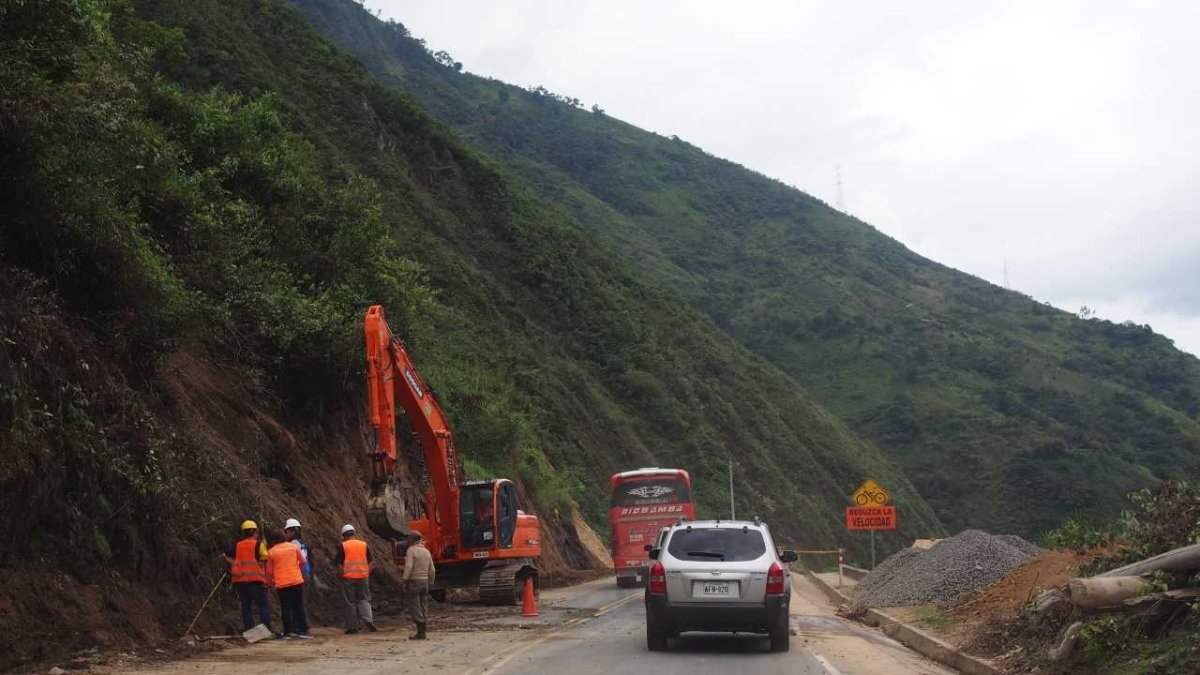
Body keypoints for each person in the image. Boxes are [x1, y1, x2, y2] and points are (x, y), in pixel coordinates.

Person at [222, 520, 273, 634]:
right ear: (255, 532)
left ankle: (250, 630)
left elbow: (225, 555)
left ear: (243, 533)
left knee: (246, 607)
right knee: (262, 606)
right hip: (255, 581)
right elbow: (265, 558)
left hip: (240, 581)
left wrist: (233, 563)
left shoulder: (238, 545)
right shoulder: (258, 545)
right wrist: (264, 546)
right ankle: (266, 630)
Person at [265, 528, 311, 639]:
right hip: (296, 580)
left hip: (282, 583)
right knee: (298, 606)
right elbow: (303, 561)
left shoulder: (271, 552)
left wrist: (269, 583)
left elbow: (269, 571)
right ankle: (303, 630)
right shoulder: (293, 547)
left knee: (285, 608)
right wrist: (296, 569)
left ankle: (287, 632)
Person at [333, 524, 376, 634]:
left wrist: (341, 575)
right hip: (363, 577)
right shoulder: (363, 544)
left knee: (350, 602)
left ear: (344, 535)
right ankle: (368, 619)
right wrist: (366, 573)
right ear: (354, 533)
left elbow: (339, 564)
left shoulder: (343, 546)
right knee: (364, 599)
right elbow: (372, 563)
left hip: (348, 578)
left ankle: (352, 627)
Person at [401, 530, 436, 640]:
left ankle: (420, 632)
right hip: (424, 582)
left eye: (408, 538)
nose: (407, 540)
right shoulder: (426, 551)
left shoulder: (411, 550)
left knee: (415, 606)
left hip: (414, 582)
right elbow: (432, 569)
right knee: (423, 605)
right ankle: (423, 632)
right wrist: (430, 582)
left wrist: (404, 580)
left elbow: (409, 566)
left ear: (412, 539)